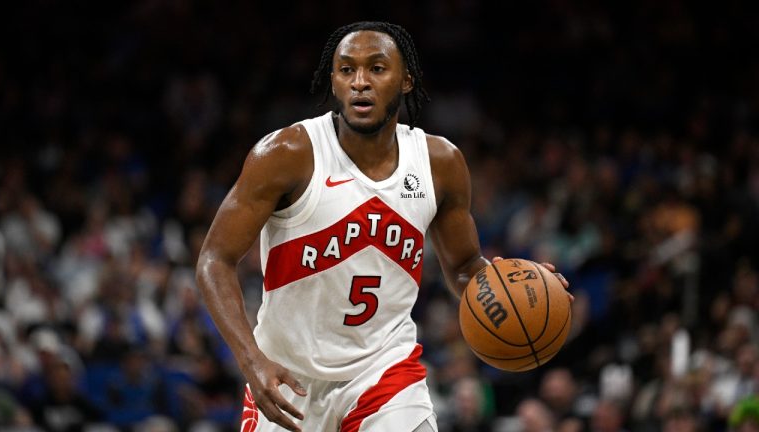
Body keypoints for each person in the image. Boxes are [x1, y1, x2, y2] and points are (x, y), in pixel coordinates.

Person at [196, 21, 570, 432]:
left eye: (376, 68)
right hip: (288, 377)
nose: (360, 82)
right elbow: (215, 259)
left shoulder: (440, 163)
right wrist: (251, 360)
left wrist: (525, 286)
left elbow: (464, 268)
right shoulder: (287, 155)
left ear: (406, 79)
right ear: (333, 81)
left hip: (384, 372)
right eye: (346, 70)